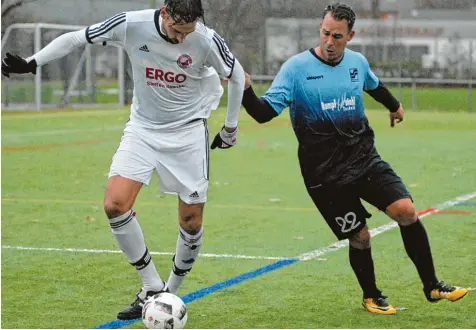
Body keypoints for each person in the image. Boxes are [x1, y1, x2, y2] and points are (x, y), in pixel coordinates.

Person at [2, 0, 245, 320]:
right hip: (143, 130)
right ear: (164, 13)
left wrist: (230, 128)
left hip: (187, 134)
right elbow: (77, 38)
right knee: (114, 204)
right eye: (175, 31)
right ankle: (151, 287)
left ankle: (169, 293)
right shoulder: (132, 24)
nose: (180, 39)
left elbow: (236, 75)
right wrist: (33, 61)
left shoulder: (204, 38)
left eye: (187, 33)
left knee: (191, 222)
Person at [241, 3, 469, 315]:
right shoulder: (295, 69)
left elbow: (374, 86)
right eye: (324, 33)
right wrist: (245, 91)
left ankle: (432, 285)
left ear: (350, 35)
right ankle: (372, 295)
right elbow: (263, 113)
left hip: (365, 160)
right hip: (324, 176)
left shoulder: (357, 63)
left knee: (406, 210)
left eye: (337, 36)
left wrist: (395, 106)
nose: (329, 42)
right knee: (360, 235)